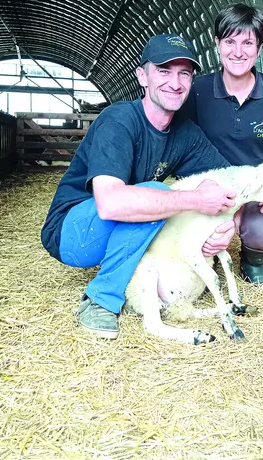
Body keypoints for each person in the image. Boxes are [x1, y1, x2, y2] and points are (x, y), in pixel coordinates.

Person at [41, 33, 239, 340]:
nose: (175, 82)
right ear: (142, 76)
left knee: (164, 203)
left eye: (184, 73)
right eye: (163, 70)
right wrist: (195, 199)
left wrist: (230, 226)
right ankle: (100, 299)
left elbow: (230, 183)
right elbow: (110, 203)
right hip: (73, 232)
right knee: (160, 195)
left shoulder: (185, 133)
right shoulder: (118, 121)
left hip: (121, 226)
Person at [181, 3, 263, 290]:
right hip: (210, 187)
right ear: (217, 44)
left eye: (247, 42)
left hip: (256, 188)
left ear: (259, 48)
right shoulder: (197, 91)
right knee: (202, 244)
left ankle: (252, 261)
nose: (238, 51)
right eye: (230, 41)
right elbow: (180, 143)